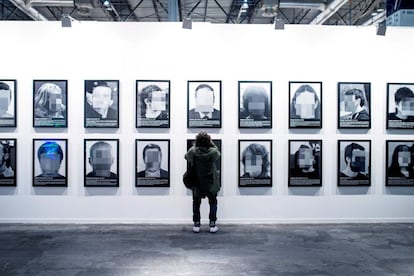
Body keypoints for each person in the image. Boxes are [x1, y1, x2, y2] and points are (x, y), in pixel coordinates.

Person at [185, 131, 220, 233]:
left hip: (197, 181)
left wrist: (196, 145)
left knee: (196, 203)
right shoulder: (213, 152)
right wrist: (211, 143)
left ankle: (196, 224)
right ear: (209, 141)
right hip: (211, 182)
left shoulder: (193, 151)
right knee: (213, 202)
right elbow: (218, 153)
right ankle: (212, 224)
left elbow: (186, 157)